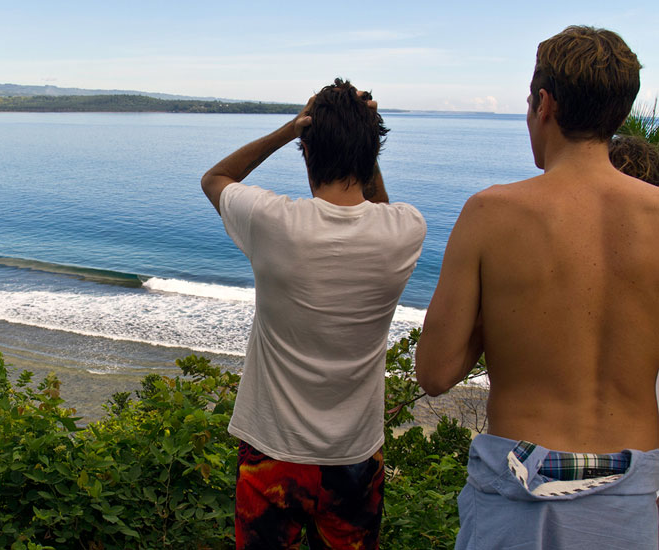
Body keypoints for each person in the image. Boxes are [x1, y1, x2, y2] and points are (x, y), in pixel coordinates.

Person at [414, 25, 659, 549]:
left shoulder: (491, 213)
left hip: (519, 499)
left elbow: (434, 373)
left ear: (544, 103)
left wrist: (499, 314)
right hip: (634, 501)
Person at [201, 79, 426, 549]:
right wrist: (363, 144)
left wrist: (290, 129)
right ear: (370, 153)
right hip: (355, 455)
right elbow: (380, 211)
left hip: (271, 449)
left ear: (307, 150)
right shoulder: (406, 229)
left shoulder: (272, 221)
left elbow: (216, 179)